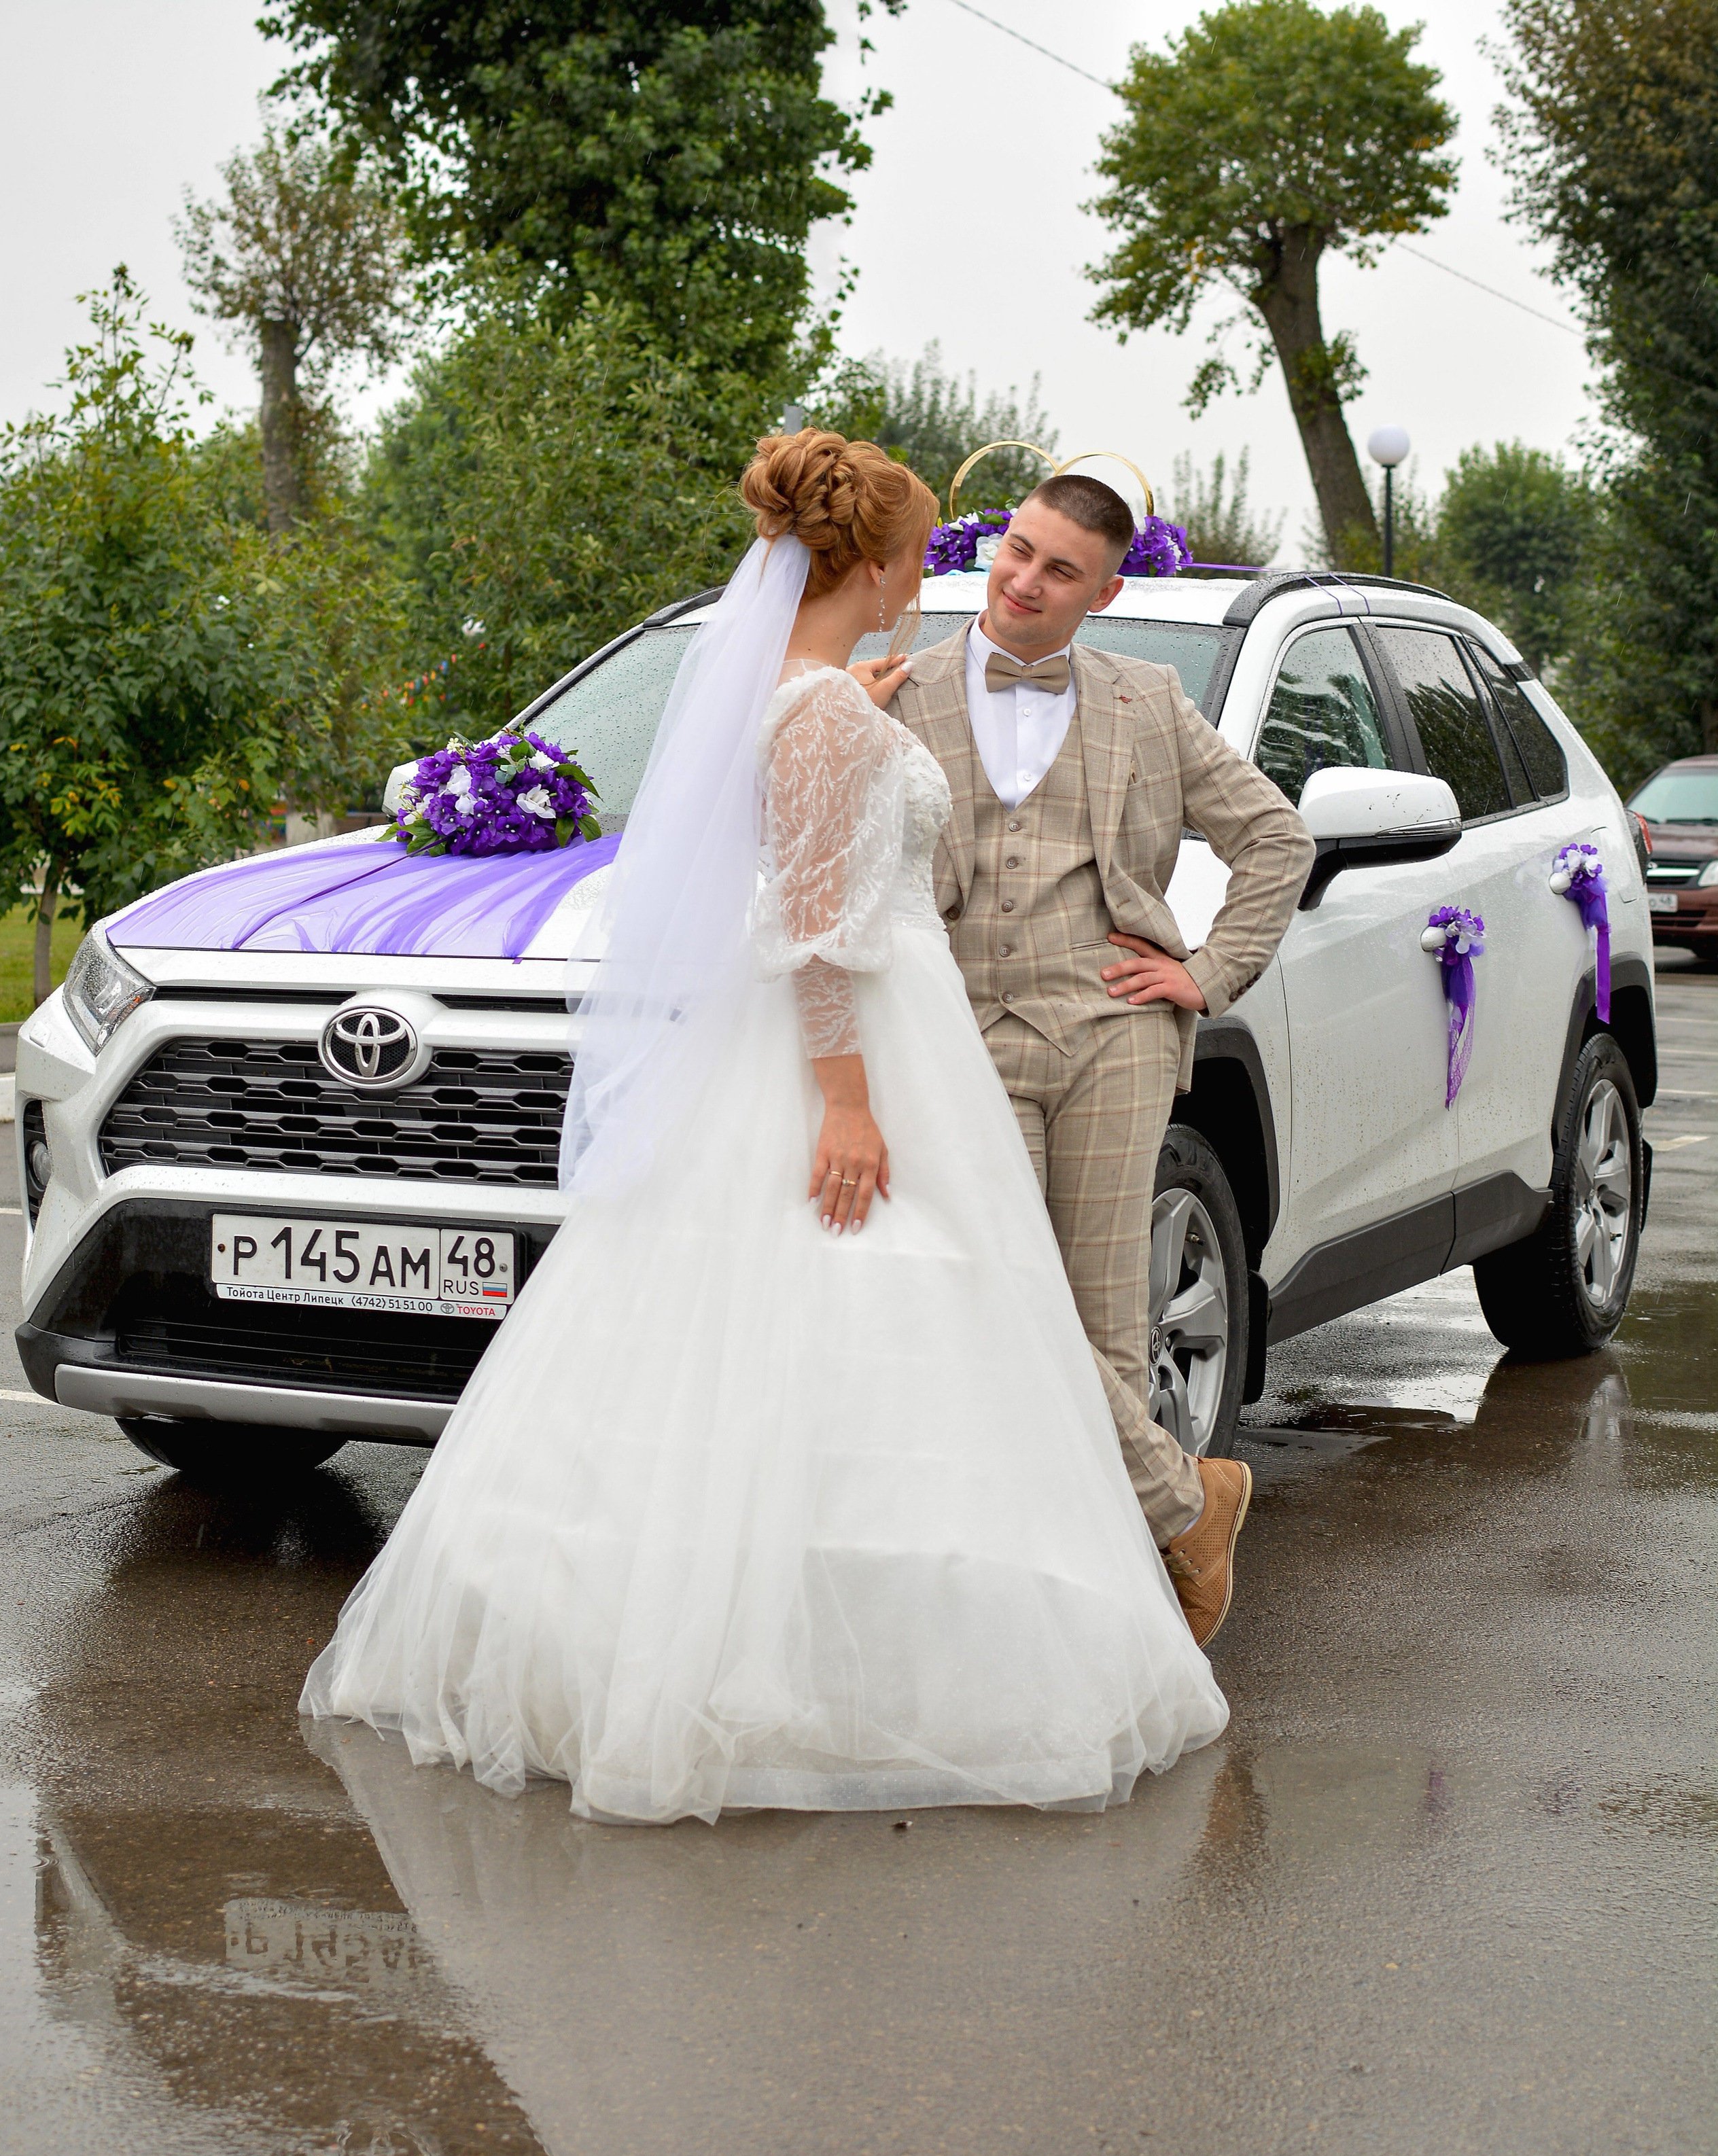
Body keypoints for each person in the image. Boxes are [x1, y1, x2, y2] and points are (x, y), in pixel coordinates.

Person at [300, 431, 1228, 1823]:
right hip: (855, 1045)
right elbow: (810, 923)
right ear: (864, 566)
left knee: (799, 1348)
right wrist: (847, 1101)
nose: (934, 578)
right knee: (883, 1326)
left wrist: (850, 718)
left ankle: (793, 1626)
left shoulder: (799, 695)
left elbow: (803, 836)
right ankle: (836, 1673)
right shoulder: (823, 715)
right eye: (919, 556)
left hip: (853, 1028)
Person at [893, 476, 1314, 1644]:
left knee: (1103, 1320)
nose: (1024, 583)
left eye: (1059, 571)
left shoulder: (1148, 698)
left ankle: (1106, 1602)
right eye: (1017, 553)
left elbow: (1277, 838)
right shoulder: (901, 689)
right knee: (1000, 1305)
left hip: (1116, 1030)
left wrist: (1209, 974)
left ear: (1106, 591)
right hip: (959, 1032)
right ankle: (1193, 1500)